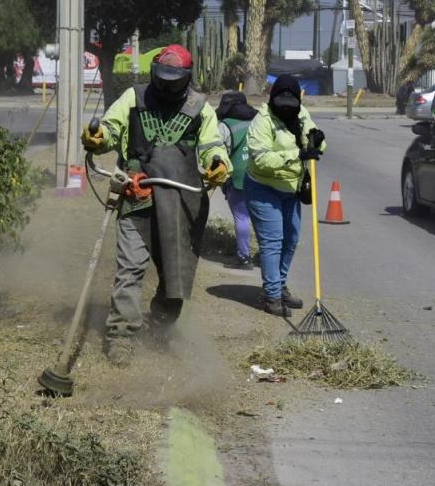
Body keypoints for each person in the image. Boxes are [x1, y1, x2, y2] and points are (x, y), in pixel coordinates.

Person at [81, 45, 231, 366]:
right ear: (153, 74)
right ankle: (121, 335)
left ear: (186, 79)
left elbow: (212, 145)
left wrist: (218, 163)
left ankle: (160, 327)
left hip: (181, 202)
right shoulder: (134, 98)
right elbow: (111, 127)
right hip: (138, 196)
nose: (165, 86)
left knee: (174, 276)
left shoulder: (199, 108)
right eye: (161, 79)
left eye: (173, 81)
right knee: (130, 268)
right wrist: (99, 136)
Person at [245, 75, 326, 317]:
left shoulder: (302, 115)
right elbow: (260, 159)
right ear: (272, 100)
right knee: (273, 241)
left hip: (291, 189)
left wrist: (319, 142)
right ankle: (271, 296)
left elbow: (312, 143)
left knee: (290, 240)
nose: (286, 109)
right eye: (281, 104)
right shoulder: (263, 121)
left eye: (291, 104)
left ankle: (279, 285)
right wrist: (297, 155)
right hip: (262, 188)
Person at [216, 91, 257, 270]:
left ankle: (244, 258)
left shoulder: (225, 125)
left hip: (238, 176)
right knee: (261, 219)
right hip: (261, 172)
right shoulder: (258, 120)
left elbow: (218, 152)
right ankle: (266, 257)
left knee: (242, 217)